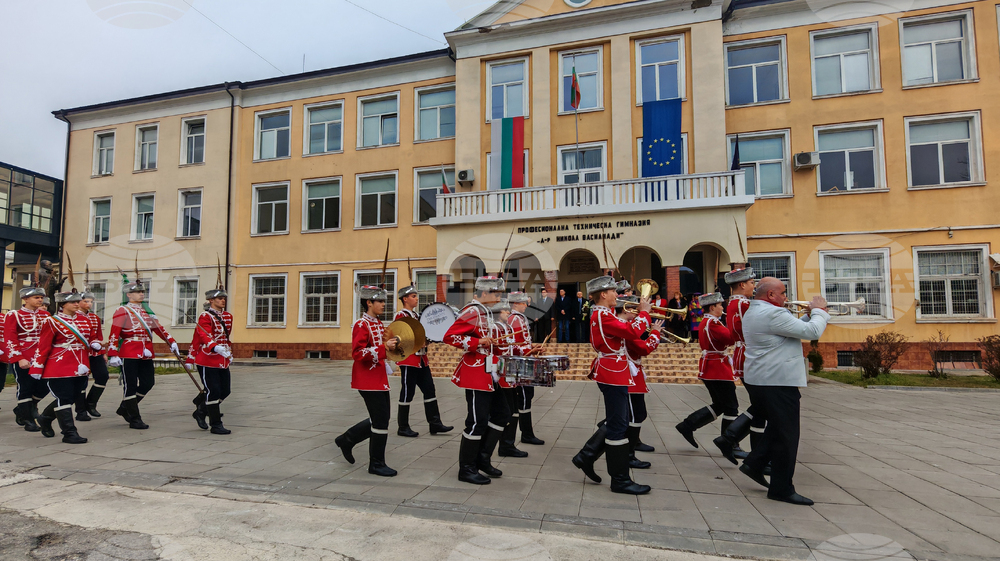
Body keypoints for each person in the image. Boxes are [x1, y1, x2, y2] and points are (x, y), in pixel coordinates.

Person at [739, 278, 829, 506]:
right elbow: (811, 332)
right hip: (776, 381)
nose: (787, 298)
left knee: (779, 429)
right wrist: (819, 311)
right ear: (770, 295)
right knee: (788, 436)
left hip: (765, 380)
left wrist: (811, 314)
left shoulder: (756, 311)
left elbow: (792, 330)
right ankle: (781, 488)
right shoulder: (773, 314)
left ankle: (755, 463)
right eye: (783, 293)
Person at [571, 275, 652, 495]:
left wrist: (628, 318)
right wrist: (644, 313)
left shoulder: (604, 314)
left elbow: (623, 332)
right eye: (614, 292)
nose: (618, 295)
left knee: (620, 420)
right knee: (618, 426)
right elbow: (631, 333)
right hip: (612, 372)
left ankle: (586, 456)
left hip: (615, 371)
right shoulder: (602, 314)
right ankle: (620, 479)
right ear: (603, 294)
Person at [443, 276, 510, 485]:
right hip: (475, 373)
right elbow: (450, 336)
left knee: (502, 414)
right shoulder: (472, 311)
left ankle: (482, 458)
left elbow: (490, 343)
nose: (499, 297)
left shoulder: (486, 313)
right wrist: (477, 341)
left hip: (490, 373)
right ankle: (466, 468)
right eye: (496, 293)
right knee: (476, 421)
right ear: (484, 293)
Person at [335, 285, 399, 477]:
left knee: (382, 418)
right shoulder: (361, 325)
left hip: (379, 377)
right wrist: (382, 348)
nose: (383, 305)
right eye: (379, 301)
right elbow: (357, 353)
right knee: (380, 420)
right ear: (369, 302)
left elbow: (382, 348)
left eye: (383, 301)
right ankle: (376, 463)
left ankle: (347, 439)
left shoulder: (378, 323)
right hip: (367, 379)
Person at [107, 280, 179, 430]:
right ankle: (134, 418)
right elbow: (114, 333)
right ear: (128, 294)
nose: (141, 294)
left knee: (148, 382)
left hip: (146, 352)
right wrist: (113, 353)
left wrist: (171, 341)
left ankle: (125, 406)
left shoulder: (146, 312)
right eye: (138, 292)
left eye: (142, 292)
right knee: (130, 386)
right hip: (130, 352)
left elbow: (158, 328)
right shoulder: (122, 310)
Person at [675, 293, 738, 451]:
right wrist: (734, 322)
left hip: (713, 367)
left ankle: (688, 425)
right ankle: (729, 443)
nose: (722, 308)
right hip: (717, 369)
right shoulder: (714, 323)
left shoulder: (707, 322)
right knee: (731, 406)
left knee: (721, 405)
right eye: (720, 305)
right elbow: (731, 338)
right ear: (712, 307)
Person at [714, 268, 764, 463]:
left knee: (761, 406)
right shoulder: (743, 304)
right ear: (742, 285)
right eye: (752, 283)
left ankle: (732, 440)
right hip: (750, 354)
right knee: (762, 406)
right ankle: (734, 441)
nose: (754, 286)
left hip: (743, 353)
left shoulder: (734, 303)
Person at [31, 291, 94, 444]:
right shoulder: (53, 321)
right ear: (63, 304)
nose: (77, 304)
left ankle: (45, 418)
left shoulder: (84, 320)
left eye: (78, 301)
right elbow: (44, 345)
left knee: (73, 397)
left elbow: (89, 339)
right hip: (59, 365)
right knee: (64, 397)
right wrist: (37, 367)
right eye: (73, 302)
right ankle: (69, 433)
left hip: (80, 364)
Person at [394, 285, 452, 437]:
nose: (416, 298)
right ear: (405, 299)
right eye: (413, 296)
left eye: (416, 296)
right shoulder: (401, 315)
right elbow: (400, 337)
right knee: (407, 392)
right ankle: (403, 426)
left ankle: (435, 424)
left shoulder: (415, 316)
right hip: (409, 360)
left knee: (429, 390)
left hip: (421, 360)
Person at [186, 285, 234, 435]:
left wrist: (227, 351)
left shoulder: (228, 316)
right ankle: (216, 424)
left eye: (224, 298)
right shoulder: (205, 316)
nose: (223, 300)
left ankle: (201, 411)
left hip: (222, 358)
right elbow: (203, 335)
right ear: (211, 300)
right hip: (207, 358)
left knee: (225, 391)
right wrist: (214, 347)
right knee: (213, 391)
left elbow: (225, 337)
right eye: (220, 298)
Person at [5, 286, 51, 431]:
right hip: (24, 356)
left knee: (46, 385)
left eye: (41, 297)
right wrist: (18, 358)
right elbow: (10, 338)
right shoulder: (14, 315)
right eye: (36, 297)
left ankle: (24, 409)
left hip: (42, 356)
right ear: (25, 299)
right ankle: (27, 419)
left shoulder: (46, 315)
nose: (40, 300)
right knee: (25, 387)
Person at [492, 300, 527, 458]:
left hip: (510, 373)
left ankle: (509, 444)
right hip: (502, 374)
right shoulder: (495, 328)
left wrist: (529, 350)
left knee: (514, 411)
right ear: (499, 313)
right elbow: (499, 349)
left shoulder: (506, 327)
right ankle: (505, 445)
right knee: (507, 411)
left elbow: (512, 347)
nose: (508, 313)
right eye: (505, 311)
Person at [508, 292, 544, 446]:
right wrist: (529, 351)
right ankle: (526, 433)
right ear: (515, 303)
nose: (526, 305)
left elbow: (523, 342)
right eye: (523, 303)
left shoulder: (519, 317)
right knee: (523, 398)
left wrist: (531, 348)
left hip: (525, 360)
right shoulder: (514, 318)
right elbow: (512, 345)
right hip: (519, 363)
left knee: (527, 396)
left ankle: (527, 432)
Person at [78, 290, 108, 420]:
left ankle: (91, 403)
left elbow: (98, 336)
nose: (89, 304)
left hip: (95, 352)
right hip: (80, 353)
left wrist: (103, 352)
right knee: (81, 382)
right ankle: (80, 410)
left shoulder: (94, 318)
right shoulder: (74, 317)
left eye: (91, 301)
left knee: (102, 376)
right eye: (86, 301)